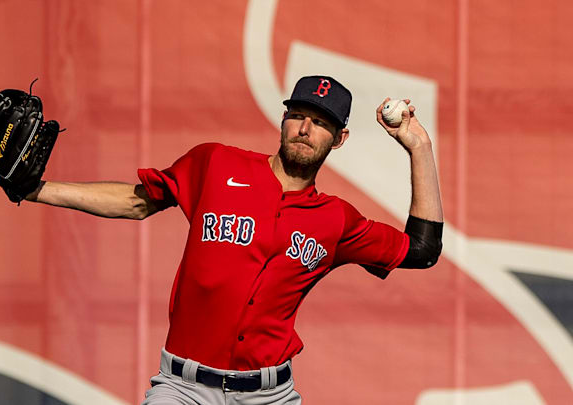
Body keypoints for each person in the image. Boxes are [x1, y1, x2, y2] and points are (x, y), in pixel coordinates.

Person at [24, 76, 444, 404]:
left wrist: (419, 146)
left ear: (339, 138)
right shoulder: (216, 163)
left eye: (321, 123)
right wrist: (37, 189)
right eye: (298, 114)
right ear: (283, 119)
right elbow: (138, 203)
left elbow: (422, 251)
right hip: (183, 389)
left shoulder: (336, 219)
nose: (305, 128)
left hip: (269, 395)